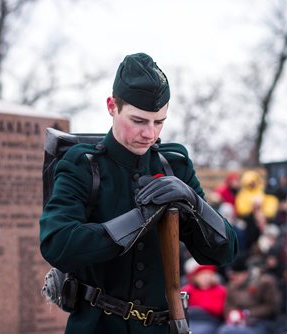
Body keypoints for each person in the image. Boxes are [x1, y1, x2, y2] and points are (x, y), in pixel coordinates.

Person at [39, 52, 238, 334]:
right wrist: (142, 217)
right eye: (139, 120)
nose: (150, 134)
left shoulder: (174, 165)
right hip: (98, 326)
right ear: (112, 106)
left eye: (159, 122)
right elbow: (57, 245)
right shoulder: (83, 164)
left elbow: (224, 252)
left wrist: (194, 204)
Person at [217, 257, 281, 334]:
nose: (233, 278)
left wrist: (246, 313)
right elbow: (228, 306)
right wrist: (232, 315)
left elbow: (271, 307)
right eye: (231, 275)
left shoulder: (264, 282)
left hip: (262, 321)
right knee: (224, 331)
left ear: (245, 273)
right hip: (237, 322)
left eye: (236, 275)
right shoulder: (231, 286)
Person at [181, 259, 227, 334]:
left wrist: (201, 309)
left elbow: (220, 309)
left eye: (208, 275)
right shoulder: (188, 290)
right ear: (196, 277)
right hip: (191, 320)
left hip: (210, 321)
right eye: (202, 275)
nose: (206, 278)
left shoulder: (220, 290)